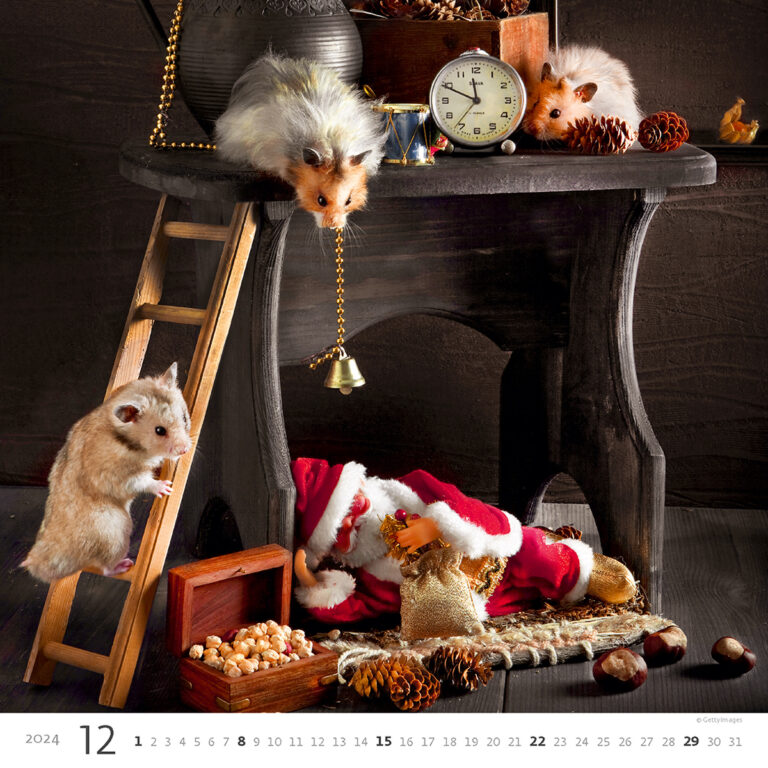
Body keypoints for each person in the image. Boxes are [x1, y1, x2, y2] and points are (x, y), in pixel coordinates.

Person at [291, 457, 636, 625]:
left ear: (359, 485)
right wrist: (312, 583)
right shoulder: (371, 577)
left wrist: (436, 527)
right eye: (339, 532)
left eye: (350, 506)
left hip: (496, 554)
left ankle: (583, 570)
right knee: (518, 606)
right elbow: (356, 609)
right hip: (479, 600)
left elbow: (461, 504)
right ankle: (536, 594)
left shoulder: (411, 490)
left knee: (539, 556)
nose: (352, 522)